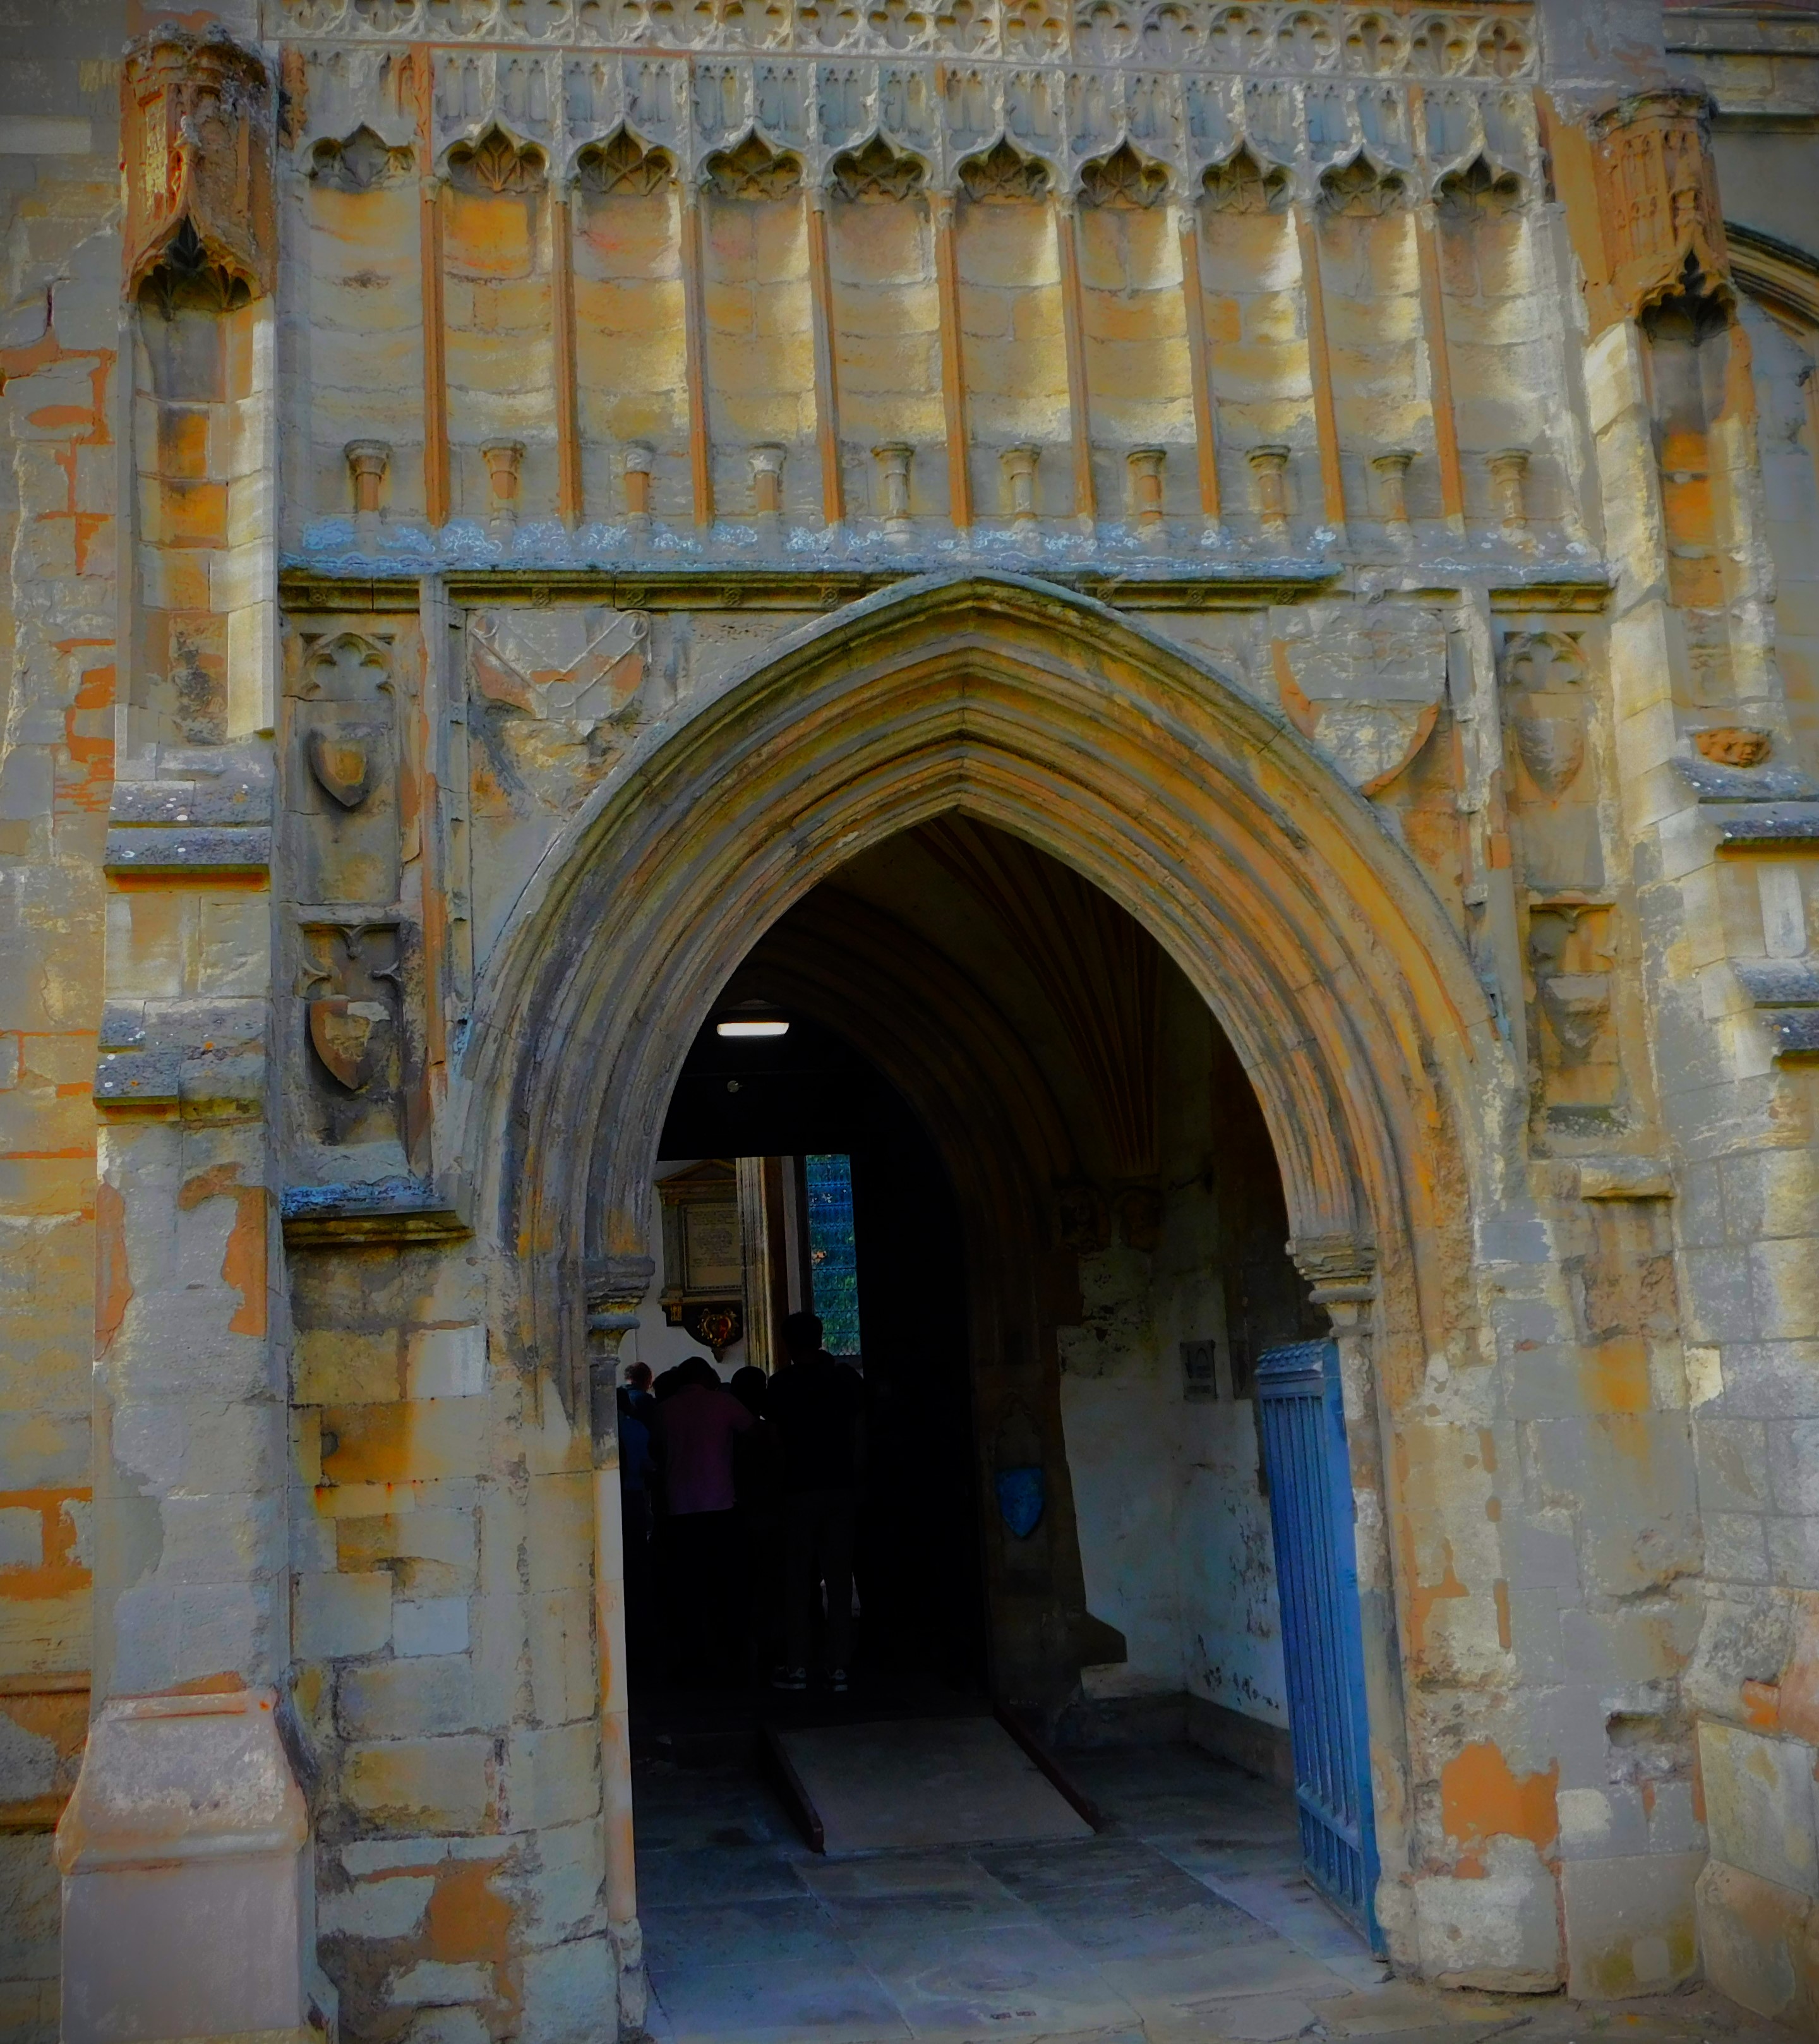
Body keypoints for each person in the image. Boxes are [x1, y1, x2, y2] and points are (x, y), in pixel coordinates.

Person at [765, 1311, 865, 1693]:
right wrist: (857, 1480)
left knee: (796, 1581)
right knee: (839, 1579)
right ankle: (839, 1666)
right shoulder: (844, 1380)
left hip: (797, 1490)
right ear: (821, 1337)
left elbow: (775, 1443)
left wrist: (778, 1487)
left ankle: (797, 1667)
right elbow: (859, 1434)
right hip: (839, 1487)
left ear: (788, 1345)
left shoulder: (780, 1385)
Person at [651, 1354, 753, 1683]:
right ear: (708, 1377)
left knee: (687, 1587)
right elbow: (754, 1432)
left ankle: (693, 1657)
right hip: (721, 1506)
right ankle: (731, 1654)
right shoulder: (723, 1403)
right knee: (726, 1584)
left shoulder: (665, 1410)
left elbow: (657, 1452)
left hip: (680, 1509)